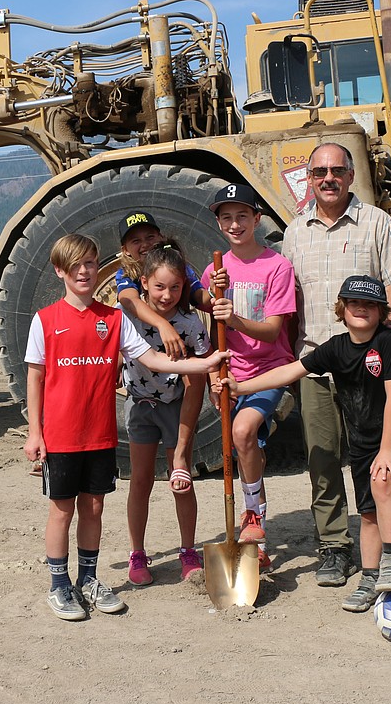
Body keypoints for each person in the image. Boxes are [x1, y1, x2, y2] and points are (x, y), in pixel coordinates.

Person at [24, 233, 226, 621]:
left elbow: (154, 359)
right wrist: (36, 431)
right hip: (62, 434)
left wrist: (205, 363)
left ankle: (88, 579)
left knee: (95, 507)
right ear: (60, 271)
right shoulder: (45, 320)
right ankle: (59, 586)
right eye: (76, 265)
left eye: (89, 263)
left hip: (99, 433)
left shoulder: (115, 319)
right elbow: (35, 377)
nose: (84, 271)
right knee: (62, 511)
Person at [217, 276, 391, 613]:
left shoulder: (388, 342)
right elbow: (290, 371)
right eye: (354, 303)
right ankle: (370, 579)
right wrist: (242, 387)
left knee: (382, 482)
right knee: (368, 512)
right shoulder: (336, 348)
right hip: (362, 441)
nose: (361, 309)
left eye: (370, 304)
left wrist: (387, 450)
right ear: (341, 309)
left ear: (381, 311)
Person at [282, 142, 391, 587]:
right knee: (322, 461)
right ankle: (335, 548)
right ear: (309, 177)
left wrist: (389, 335)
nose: (327, 178)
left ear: (350, 174)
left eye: (336, 170)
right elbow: (286, 298)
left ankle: (380, 551)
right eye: (318, 171)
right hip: (318, 361)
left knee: (373, 460)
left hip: (366, 368)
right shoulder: (294, 231)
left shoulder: (376, 223)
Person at [202, 183, 297, 571]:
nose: (235, 224)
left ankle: (254, 515)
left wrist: (234, 318)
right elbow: (212, 331)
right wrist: (212, 370)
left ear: (257, 219)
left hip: (269, 370)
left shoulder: (277, 266)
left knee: (242, 433)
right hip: (229, 372)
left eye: (242, 216)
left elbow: (274, 330)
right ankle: (252, 537)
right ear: (220, 224)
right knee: (238, 447)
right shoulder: (216, 269)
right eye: (227, 217)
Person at [122, 241, 211, 587]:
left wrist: (183, 447)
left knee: (181, 479)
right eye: (159, 286)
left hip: (176, 407)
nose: (167, 294)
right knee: (140, 481)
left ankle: (188, 551)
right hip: (140, 405)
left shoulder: (190, 325)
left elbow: (199, 377)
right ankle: (138, 553)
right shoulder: (128, 317)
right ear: (144, 282)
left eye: (175, 287)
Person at [115, 210, 211, 494]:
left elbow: (198, 296)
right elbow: (128, 301)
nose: (144, 244)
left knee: (196, 377)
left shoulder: (182, 268)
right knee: (139, 479)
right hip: (143, 378)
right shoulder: (127, 273)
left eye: (150, 236)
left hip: (177, 379)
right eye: (135, 241)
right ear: (125, 250)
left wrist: (217, 298)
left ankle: (181, 452)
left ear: (160, 237)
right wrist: (162, 325)